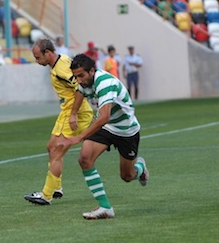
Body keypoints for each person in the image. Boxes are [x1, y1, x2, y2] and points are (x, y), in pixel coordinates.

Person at [59, 53, 149, 220]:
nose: (78, 80)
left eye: (81, 75)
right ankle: (105, 207)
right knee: (84, 159)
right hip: (107, 127)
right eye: (75, 76)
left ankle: (140, 168)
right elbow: (80, 92)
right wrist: (73, 114)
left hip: (125, 130)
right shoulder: (84, 81)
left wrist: (78, 138)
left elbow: (104, 117)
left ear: (92, 71)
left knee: (127, 176)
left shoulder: (105, 83)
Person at [23, 38, 94, 205]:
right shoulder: (60, 61)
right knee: (51, 147)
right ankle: (56, 188)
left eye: (38, 57)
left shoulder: (61, 68)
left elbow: (80, 87)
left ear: (48, 53)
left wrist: (74, 114)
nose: (37, 60)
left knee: (56, 151)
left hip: (76, 113)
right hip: (67, 112)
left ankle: (46, 195)